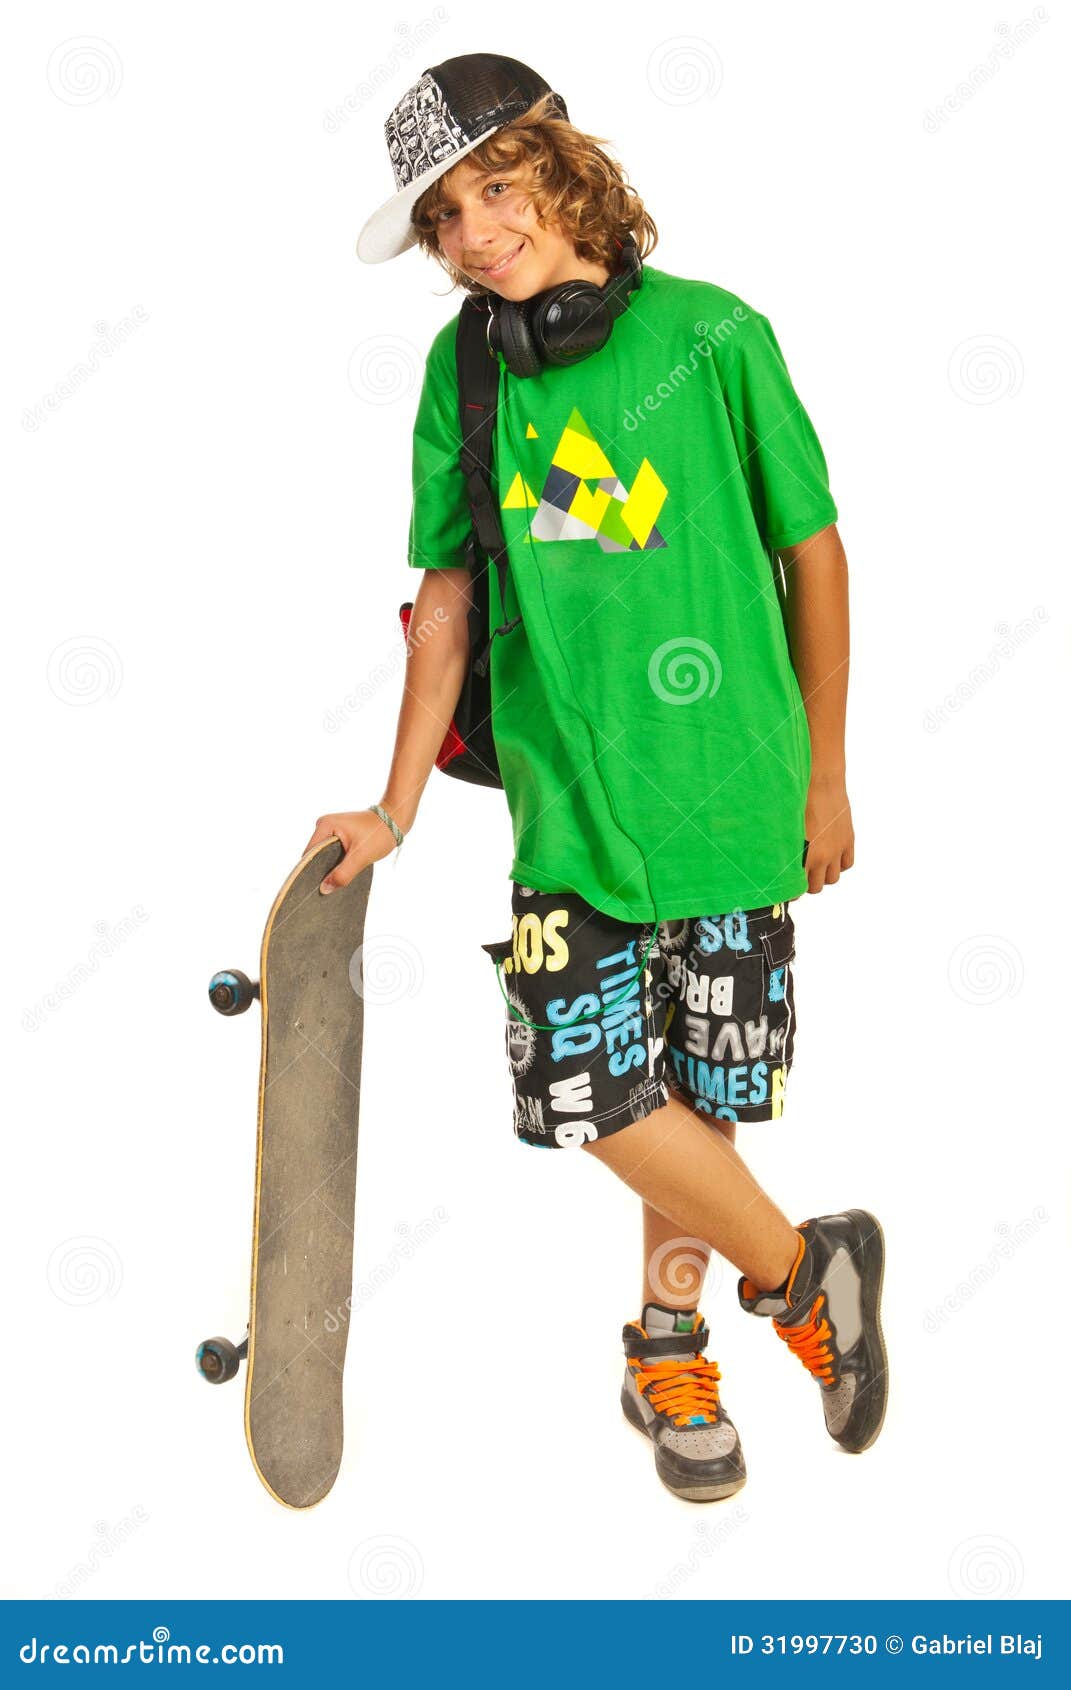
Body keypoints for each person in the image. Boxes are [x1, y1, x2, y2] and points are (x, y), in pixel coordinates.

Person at [304, 53, 887, 1503]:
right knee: (592, 1097)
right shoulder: (468, 373)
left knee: (700, 1093)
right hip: (573, 815)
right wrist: (394, 805)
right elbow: (446, 597)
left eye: (494, 187)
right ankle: (810, 1276)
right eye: (441, 215)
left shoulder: (717, 334)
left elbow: (815, 556)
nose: (474, 231)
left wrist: (826, 776)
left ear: (564, 175)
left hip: (739, 800)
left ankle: (668, 1342)